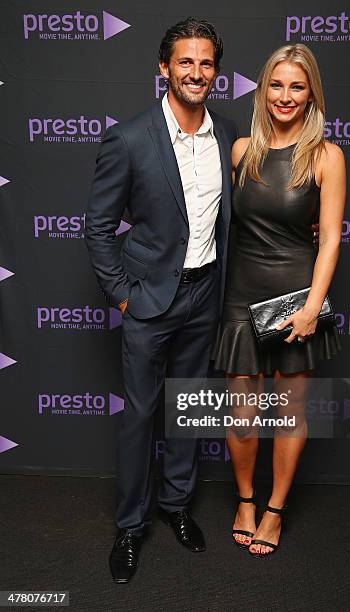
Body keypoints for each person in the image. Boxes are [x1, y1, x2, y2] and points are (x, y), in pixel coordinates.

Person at [85, 17, 237, 583]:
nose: (196, 73)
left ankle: (175, 508)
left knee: (188, 409)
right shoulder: (127, 138)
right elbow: (97, 226)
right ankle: (130, 526)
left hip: (205, 295)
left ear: (215, 71)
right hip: (148, 301)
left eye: (206, 63)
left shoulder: (227, 134)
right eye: (185, 62)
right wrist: (121, 297)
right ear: (164, 68)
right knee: (142, 416)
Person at [212, 43, 346, 557]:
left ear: (311, 93)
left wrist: (313, 307)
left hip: (296, 295)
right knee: (242, 415)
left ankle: (274, 510)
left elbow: (330, 237)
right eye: (276, 85)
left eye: (297, 86)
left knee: (289, 414)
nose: (285, 96)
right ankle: (245, 500)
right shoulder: (242, 150)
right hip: (240, 297)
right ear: (263, 89)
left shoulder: (327, 156)